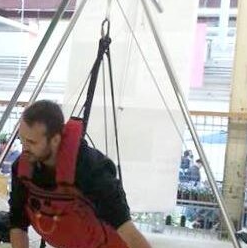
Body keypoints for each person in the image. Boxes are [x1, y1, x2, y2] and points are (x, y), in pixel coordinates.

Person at [9, 100, 151, 248]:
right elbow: (17, 223)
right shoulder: (22, 168)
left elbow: (126, 228)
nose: (24, 147)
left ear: (55, 140)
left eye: (32, 142)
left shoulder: (93, 170)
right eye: (22, 139)